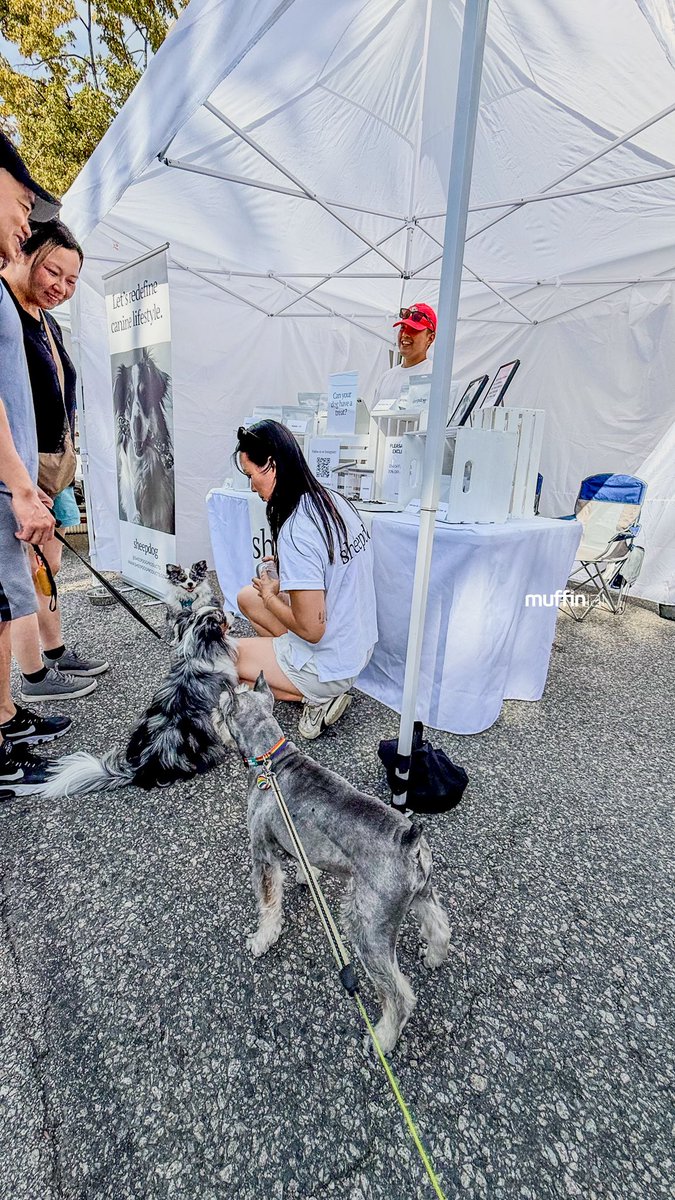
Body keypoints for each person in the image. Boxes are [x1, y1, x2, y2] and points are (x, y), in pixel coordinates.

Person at [2, 219, 108, 702]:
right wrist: (22, 480)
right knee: (23, 573)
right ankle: (35, 678)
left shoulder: (45, 320)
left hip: (54, 464)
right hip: (23, 468)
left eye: (71, 280)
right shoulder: (7, 310)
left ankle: (55, 649)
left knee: (47, 565)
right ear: (25, 253)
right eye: (54, 272)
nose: (61, 288)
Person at [233, 420, 378, 740]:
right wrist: (286, 572)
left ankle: (313, 695)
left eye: (251, 475)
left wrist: (273, 596)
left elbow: (312, 629)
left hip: (330, 661)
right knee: (246, 597)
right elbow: (329, 569)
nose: (251, 486)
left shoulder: (297, 529)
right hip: (356, 644)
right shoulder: (331, 499)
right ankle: (298, 678)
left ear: (270, 465)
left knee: (222, 658)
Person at [0, 131, 66, 798]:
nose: (25, 219)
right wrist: (22, 485)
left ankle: (6, 717)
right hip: (9, 475)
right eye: (22, 201)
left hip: (15, 472)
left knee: (7, 600)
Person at [367, 303, 437, 413]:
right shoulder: (386, 378)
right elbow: (373, 423)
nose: (405, 334)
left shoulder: (436, 376)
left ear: (430, 338)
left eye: (414, 330)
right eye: (403, 328)